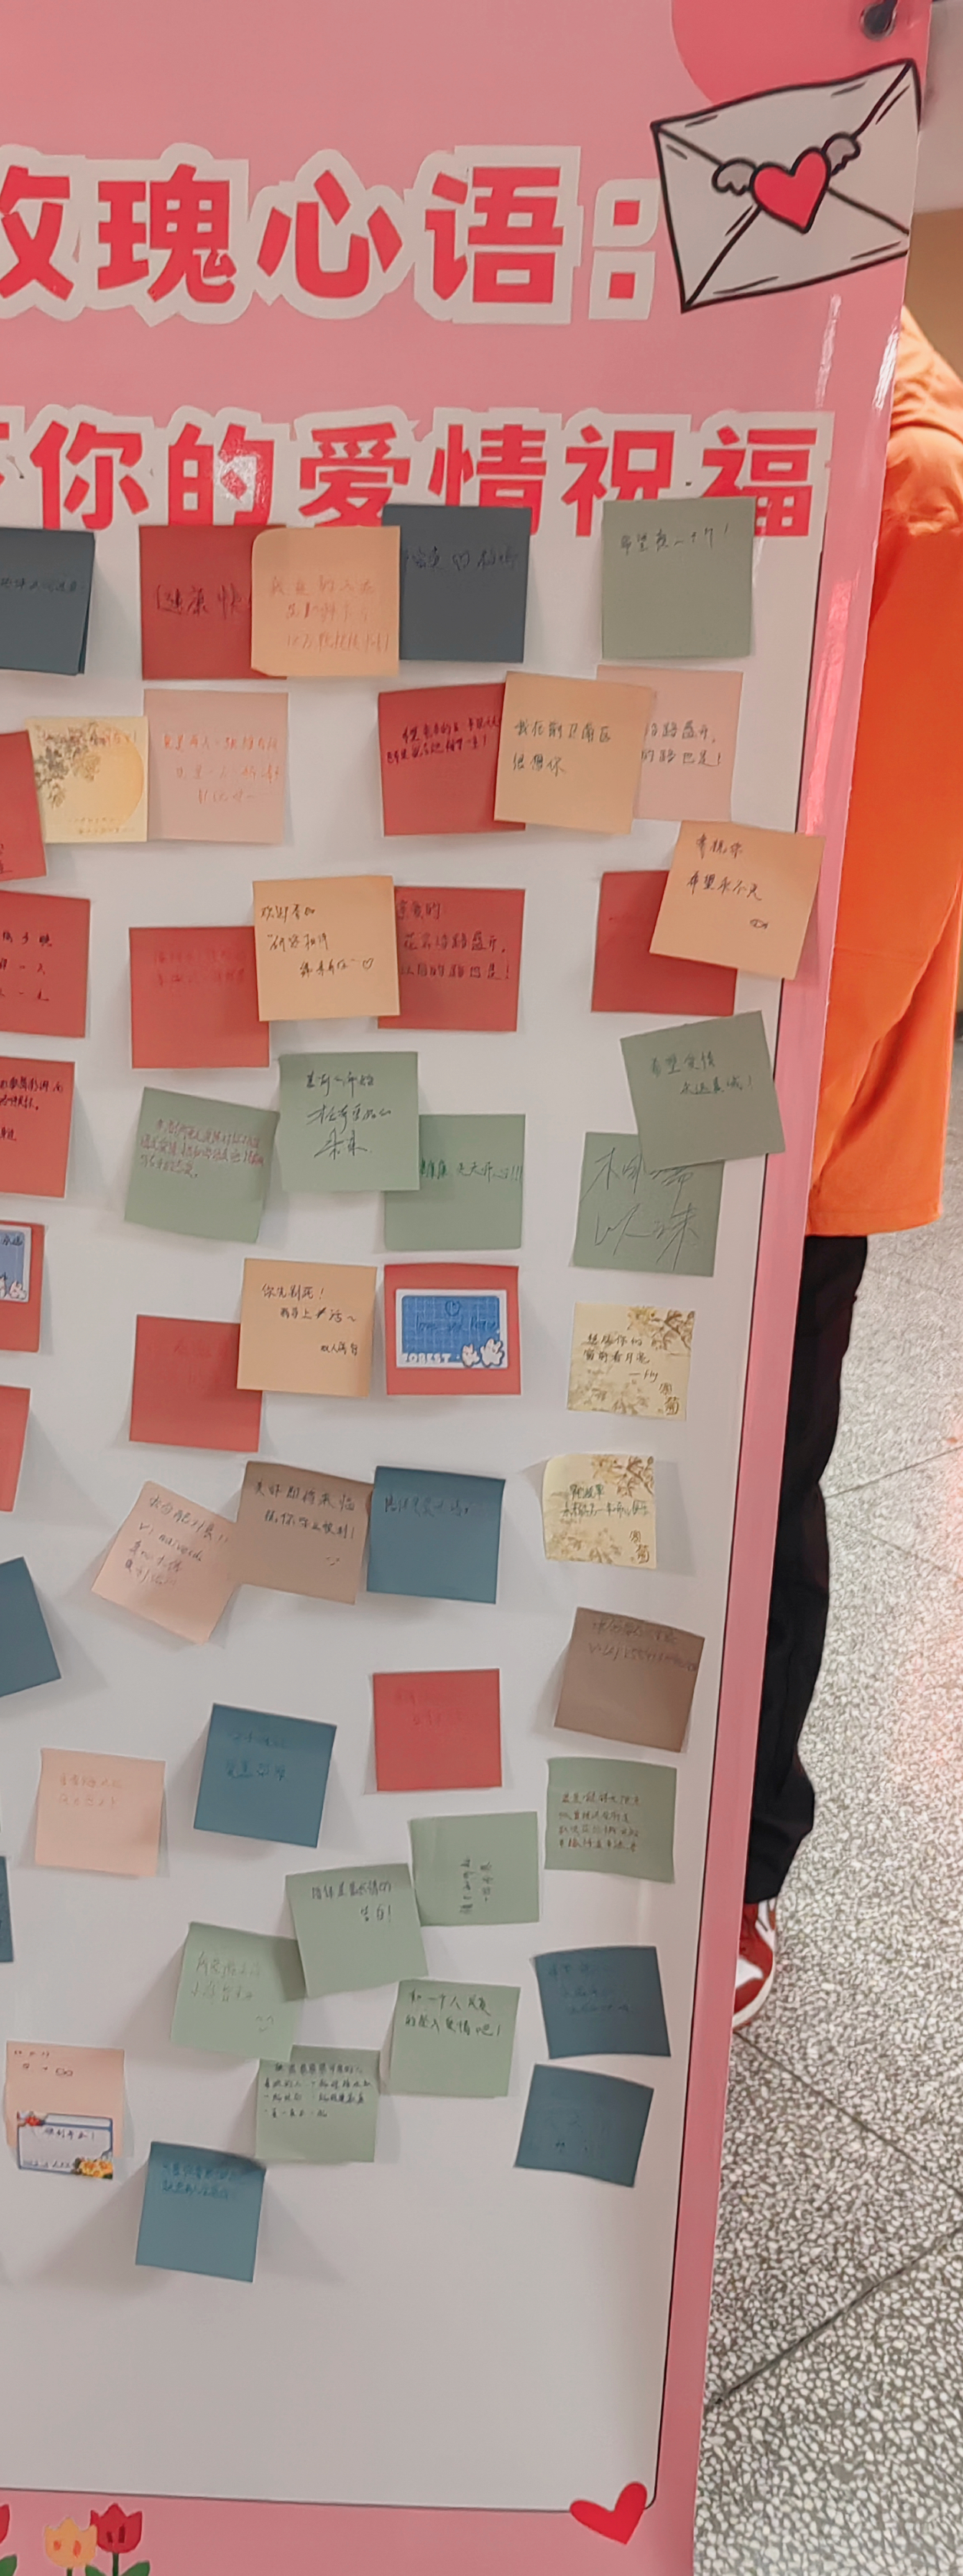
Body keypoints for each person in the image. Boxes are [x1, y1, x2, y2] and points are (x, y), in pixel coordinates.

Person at [736, 310, 963, 2026]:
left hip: (780, 1143)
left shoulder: (915, 481)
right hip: (674, 1093)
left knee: (760, 1499)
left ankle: (741, 1865)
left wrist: (745, 1157)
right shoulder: (740, 395)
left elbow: (885, 891)